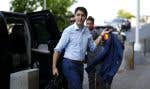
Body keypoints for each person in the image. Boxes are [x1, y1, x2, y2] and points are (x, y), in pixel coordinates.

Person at [52, 6, 110, 89]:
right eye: (78, 15)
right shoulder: (69, 31)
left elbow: (92, 47)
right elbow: (57, 50)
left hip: (80, 65)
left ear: (85, 17)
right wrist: (54, 67)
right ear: (75, 16)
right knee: (77, 87)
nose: (80, 17)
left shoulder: (87, 31)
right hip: (69, 64)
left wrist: (101, 35)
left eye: (82, 15)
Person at [86, 16, 102, 89]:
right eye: (87, 23)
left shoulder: (95, 32)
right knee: (91, 80)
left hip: (98, 60)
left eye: (90, 24)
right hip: (90, 61)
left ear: (93, 24)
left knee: (98, 80)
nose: (88, 25)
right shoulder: (85, 32)